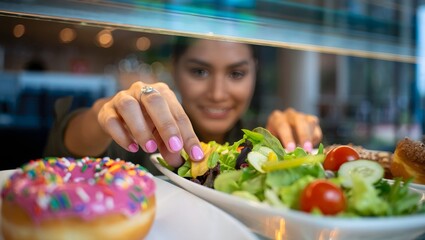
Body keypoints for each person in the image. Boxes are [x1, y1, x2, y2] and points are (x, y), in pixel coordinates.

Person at [44, 37, 322, 175]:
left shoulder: (260, 147)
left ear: (254, 73)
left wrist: (290, 147)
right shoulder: (141, 136)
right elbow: (65, 149)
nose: (217, 93)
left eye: (236, 74)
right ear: (175, 69)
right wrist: (103, 114)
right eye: (199, 72)